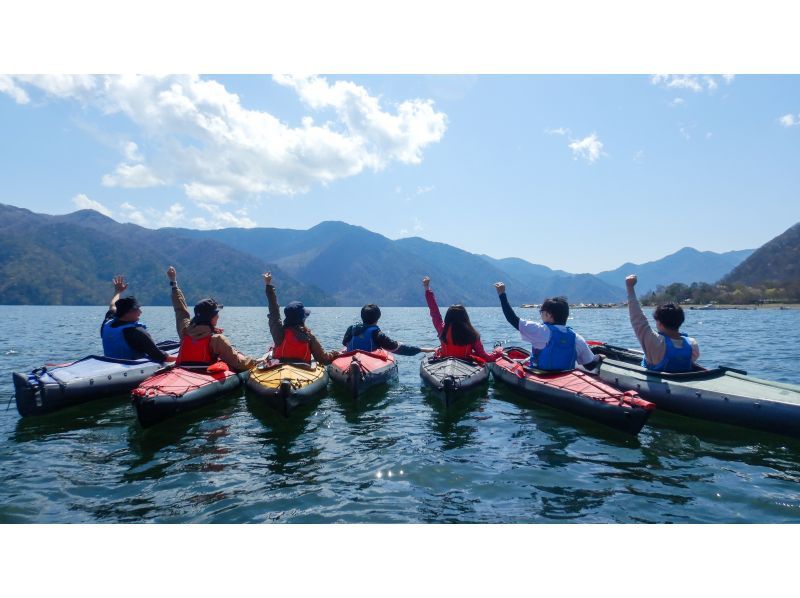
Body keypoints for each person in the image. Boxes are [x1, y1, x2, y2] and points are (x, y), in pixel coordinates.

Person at [494, 282, 602, 371]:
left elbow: (512, 319)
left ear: (549, 315)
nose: (541, 314)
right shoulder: (577, 338)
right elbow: (590, 365)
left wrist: (502, 294)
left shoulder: (541, 331)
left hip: (540, 376)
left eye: (542, 312)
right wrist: (599, 358)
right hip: (565, 379)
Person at [167, 266, 256, 371]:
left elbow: (180, 310)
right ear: (209, 318)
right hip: (205, 377)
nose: (218, 316)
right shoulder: (217, 340)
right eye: (216, 314)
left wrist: (173, 283)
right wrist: (256, 361)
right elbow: (240, 364)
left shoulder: (185, 330)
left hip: (183, 372)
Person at [625, 274, 699, 372]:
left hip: (657, 385)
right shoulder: (693, 344)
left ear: (659, 323)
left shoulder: (656, 343)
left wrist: (630, 287)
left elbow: (637, 319)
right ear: (681, 321)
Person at [263, 272, 339, 364]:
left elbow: (274, 311)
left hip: (279, 369)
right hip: (303, 372)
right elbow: (323, 358)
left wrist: (268, 285)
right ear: (302, 319)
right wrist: (334, 354)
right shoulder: (308, 336)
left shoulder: (279, 333)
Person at [423, 276, 500, 362]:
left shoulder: (442, 329)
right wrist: (498, 353)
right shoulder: (472, 334)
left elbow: (434, 311)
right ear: (465, 317)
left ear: (447, 317)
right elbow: (483, 355)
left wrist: (427, 288)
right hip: (467, 364)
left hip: (444, 362)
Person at [101, 275, 176, 363]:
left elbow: (112, 305)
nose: (140, 312)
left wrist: (117, 291)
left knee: (167, 344)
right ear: (127, 313)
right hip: (131, 369)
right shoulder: (136, 332)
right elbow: (161, 357)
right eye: (137, 309)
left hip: (110, 363)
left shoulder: (108, 322)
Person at [342, 304, 435, 356]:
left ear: (362, 316)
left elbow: (345, 343)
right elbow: (397, 348)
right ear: (378, 318)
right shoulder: (377, 334)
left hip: (350, 358)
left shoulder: (351, 329)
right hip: (369, 363)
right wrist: (422, 349)